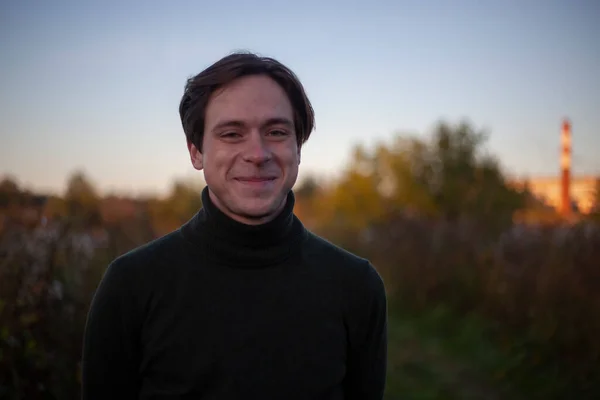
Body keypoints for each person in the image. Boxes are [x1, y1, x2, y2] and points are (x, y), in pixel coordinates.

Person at [81, 51, 387, 399]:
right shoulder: (131, 286)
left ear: (298, 148)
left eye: (275, 131)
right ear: (196, 151)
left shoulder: (356, 287)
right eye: (231, 134)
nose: (257, 154)